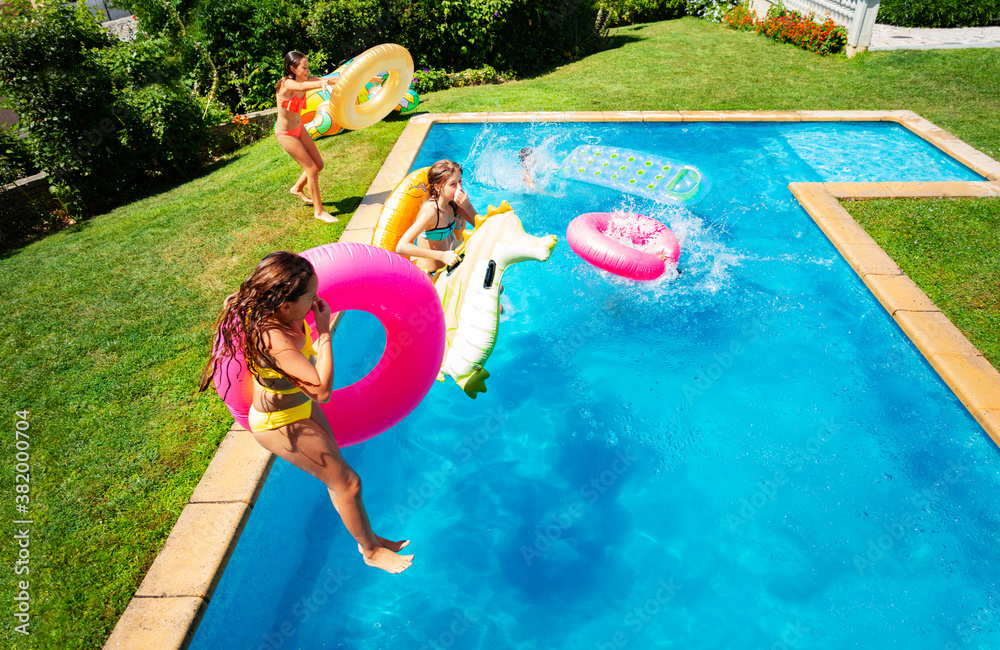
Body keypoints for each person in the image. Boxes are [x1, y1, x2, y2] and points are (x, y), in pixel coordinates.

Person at [200, 252, 413, 573]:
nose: (317, 300)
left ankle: (368, 536)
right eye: (311, 296)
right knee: (349, 483)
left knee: (339, 478)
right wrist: (325, 332)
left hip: (299, 406)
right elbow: (321, 391)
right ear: (285, 305)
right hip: (280, 423)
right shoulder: (275, 340)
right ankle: (370, 552)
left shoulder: (280, 312)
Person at [275, 51, 338, 223]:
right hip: (286, 134)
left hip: (299, 128)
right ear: (292, 68)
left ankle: (297, 188)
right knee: (312, 169)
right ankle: (319, 212)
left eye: (308, 66)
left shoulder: (306, 80)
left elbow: (331, 79)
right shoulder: (286, 84)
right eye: (304, 67)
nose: (307, 70)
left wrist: (366, 79)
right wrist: (320, 84)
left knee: (319, 164)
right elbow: (302, 88)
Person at [396, 160, 481, 274]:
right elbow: (401, 246)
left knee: (496, 287)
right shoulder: (431, 211)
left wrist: (468, 206)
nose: (459, 188)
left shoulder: (453, 204)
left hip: (453, 265)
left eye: (460, 181)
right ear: (437, 187)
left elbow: (482, 226)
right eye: (453, 184)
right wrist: (441, 255)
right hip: (433, 274)